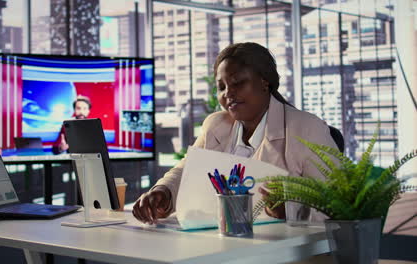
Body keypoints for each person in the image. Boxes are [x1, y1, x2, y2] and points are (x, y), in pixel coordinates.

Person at [132, 42, 338, 224]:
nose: (228, 93)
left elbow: (338, 206)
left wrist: (286, 210)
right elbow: (184, 173)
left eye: (238, 83)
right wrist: (163, 192)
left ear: (265, 82)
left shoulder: (307, 128)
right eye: (221, 87)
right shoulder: (215, 125)